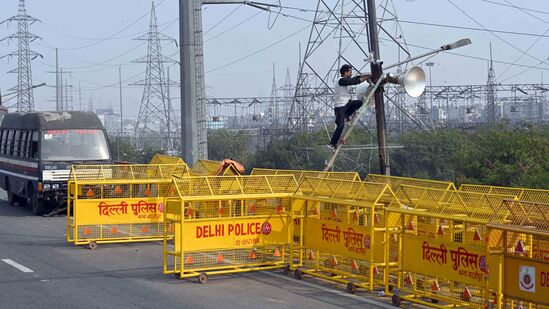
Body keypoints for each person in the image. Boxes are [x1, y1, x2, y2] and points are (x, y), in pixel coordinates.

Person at [328, 64, 371, 150]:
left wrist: (366, 76)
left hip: (346, 104)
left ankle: (347, 115)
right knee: (340, 126)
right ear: (345, 72)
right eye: (350, 72)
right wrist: (367, 77)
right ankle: (332, 143)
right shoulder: (341, 81)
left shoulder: (346, 80)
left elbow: (354, 79)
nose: (351, 73)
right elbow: (354, 81)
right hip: (340, 107)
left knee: (359, 103)